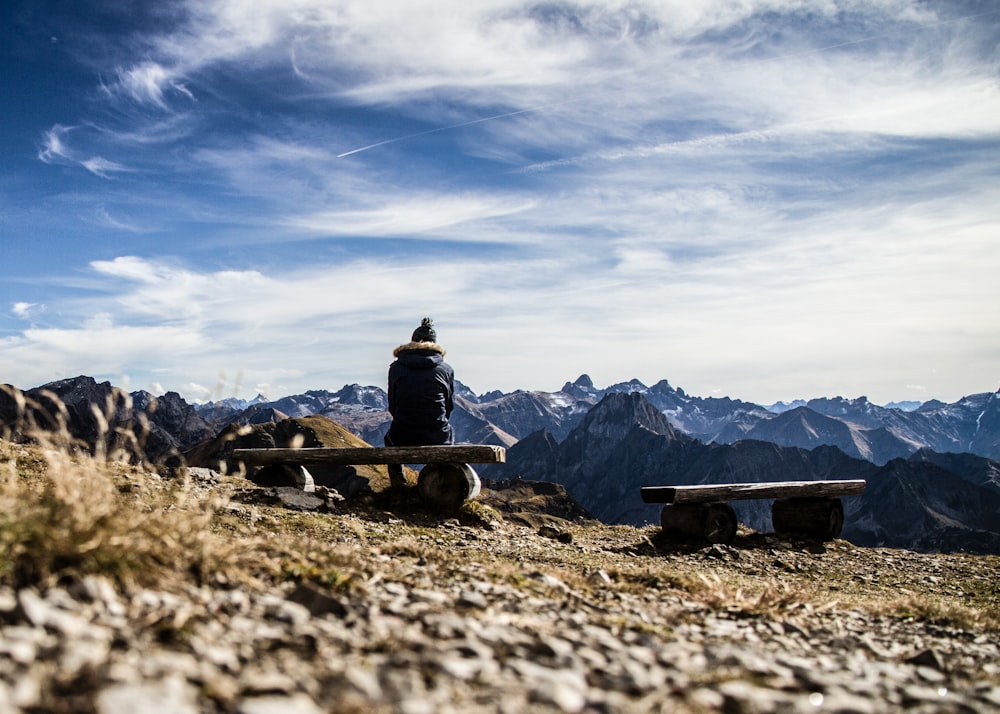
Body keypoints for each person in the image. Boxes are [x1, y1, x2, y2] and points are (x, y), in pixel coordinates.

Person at [384, 317, 455, 489]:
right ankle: (439, 483)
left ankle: (399, 485)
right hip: (437, 435)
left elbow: (393, 406)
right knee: (449, 434)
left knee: (389, 439)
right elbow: (449, 406)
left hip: (402, 434)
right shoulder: (446, 369)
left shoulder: (396, 368)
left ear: (412, 341)